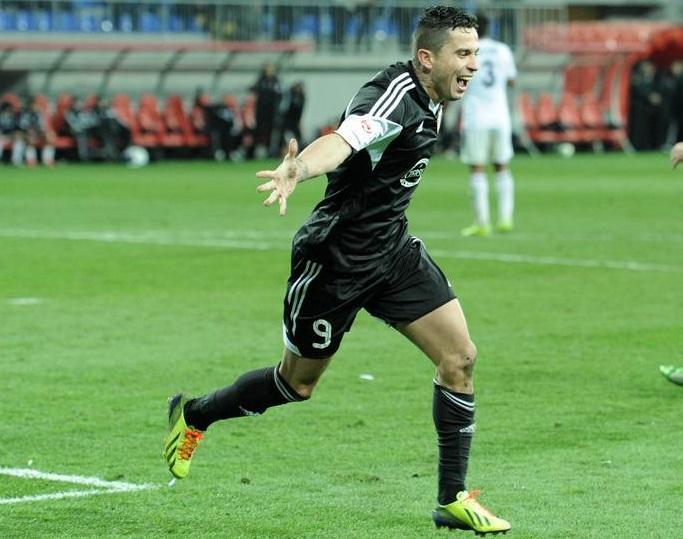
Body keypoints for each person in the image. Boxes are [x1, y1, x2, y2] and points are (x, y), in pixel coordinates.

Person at [163, 6, 511, 535]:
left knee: (459, 357)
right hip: (335, 260)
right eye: (462, 54)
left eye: (476, 54)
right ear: (426, 58)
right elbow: (344, 140)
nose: (473, 65)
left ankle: (452, 499)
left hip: (391, 253)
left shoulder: (435, 97)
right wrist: (299, 167)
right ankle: (194, 415)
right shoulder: (395, 95)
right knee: (296, 385)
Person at [458, 13, 517, 237]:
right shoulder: (503, 50)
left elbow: (458, 81)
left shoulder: (466, 52)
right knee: (502, 166)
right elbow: (511, 80)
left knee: (477, 168)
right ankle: (505, 219)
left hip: (476, 117)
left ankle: (482, 223)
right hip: (500, 116)